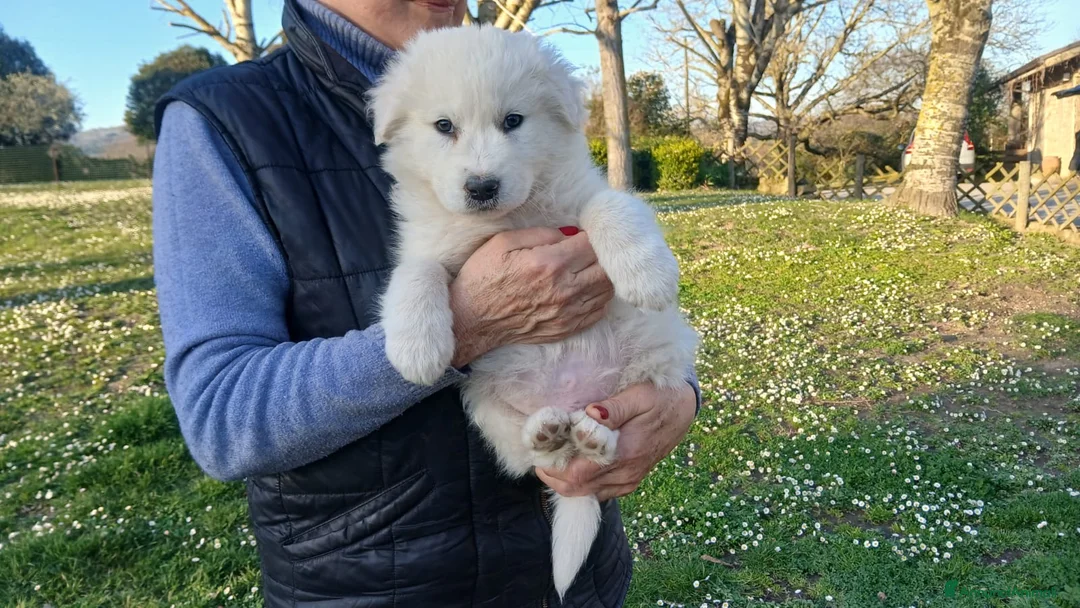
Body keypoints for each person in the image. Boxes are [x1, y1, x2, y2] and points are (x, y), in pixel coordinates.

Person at [151, 0, 700, 605]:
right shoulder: (222, 121)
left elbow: (624, 275)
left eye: (512, 121)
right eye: (446, 129)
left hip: (576, 581)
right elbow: (221, 419)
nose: (482, 166)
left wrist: (676, 397)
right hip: (371, 589)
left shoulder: (514, 63)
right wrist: (468, 325)